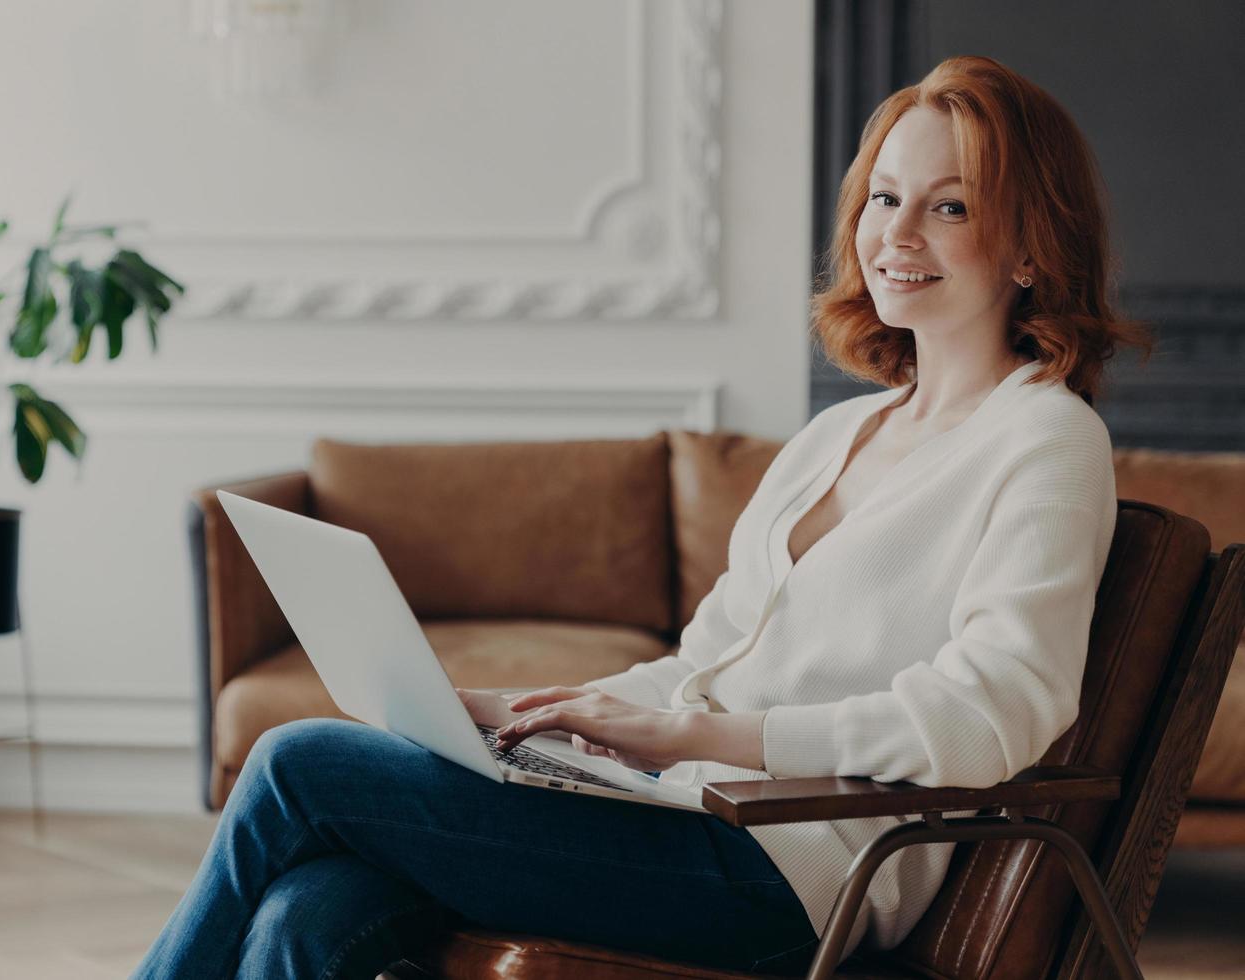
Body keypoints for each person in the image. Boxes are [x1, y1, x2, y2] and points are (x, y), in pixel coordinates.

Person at [130, 54, 1152, 979]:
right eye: (885, 196)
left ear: (1030, 247)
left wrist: (692, 733)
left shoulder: (1045, 440)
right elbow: (699, 662)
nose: (896, 234)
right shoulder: (834, 436)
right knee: (309, 914)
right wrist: (542, 711)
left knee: (298, 760)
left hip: (789, 873)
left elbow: (992, 713)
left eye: (951, 207)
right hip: (673, 817)